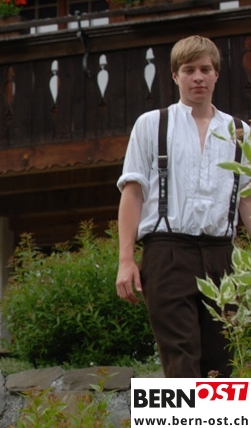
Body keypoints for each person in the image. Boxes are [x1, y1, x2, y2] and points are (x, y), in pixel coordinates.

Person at [115, 35, 251, 378]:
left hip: (222, 254)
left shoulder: (240, 132)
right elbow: (133, 191)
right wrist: (126, 260)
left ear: (216, 74)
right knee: (180, 357)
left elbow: (247, 199)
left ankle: (217, 411)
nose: (198, 77)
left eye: (205, 69)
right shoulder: (152, 124)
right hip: (167, 252)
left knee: (223, 362)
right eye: (189, 70)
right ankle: (183, 410)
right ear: (175, 75)